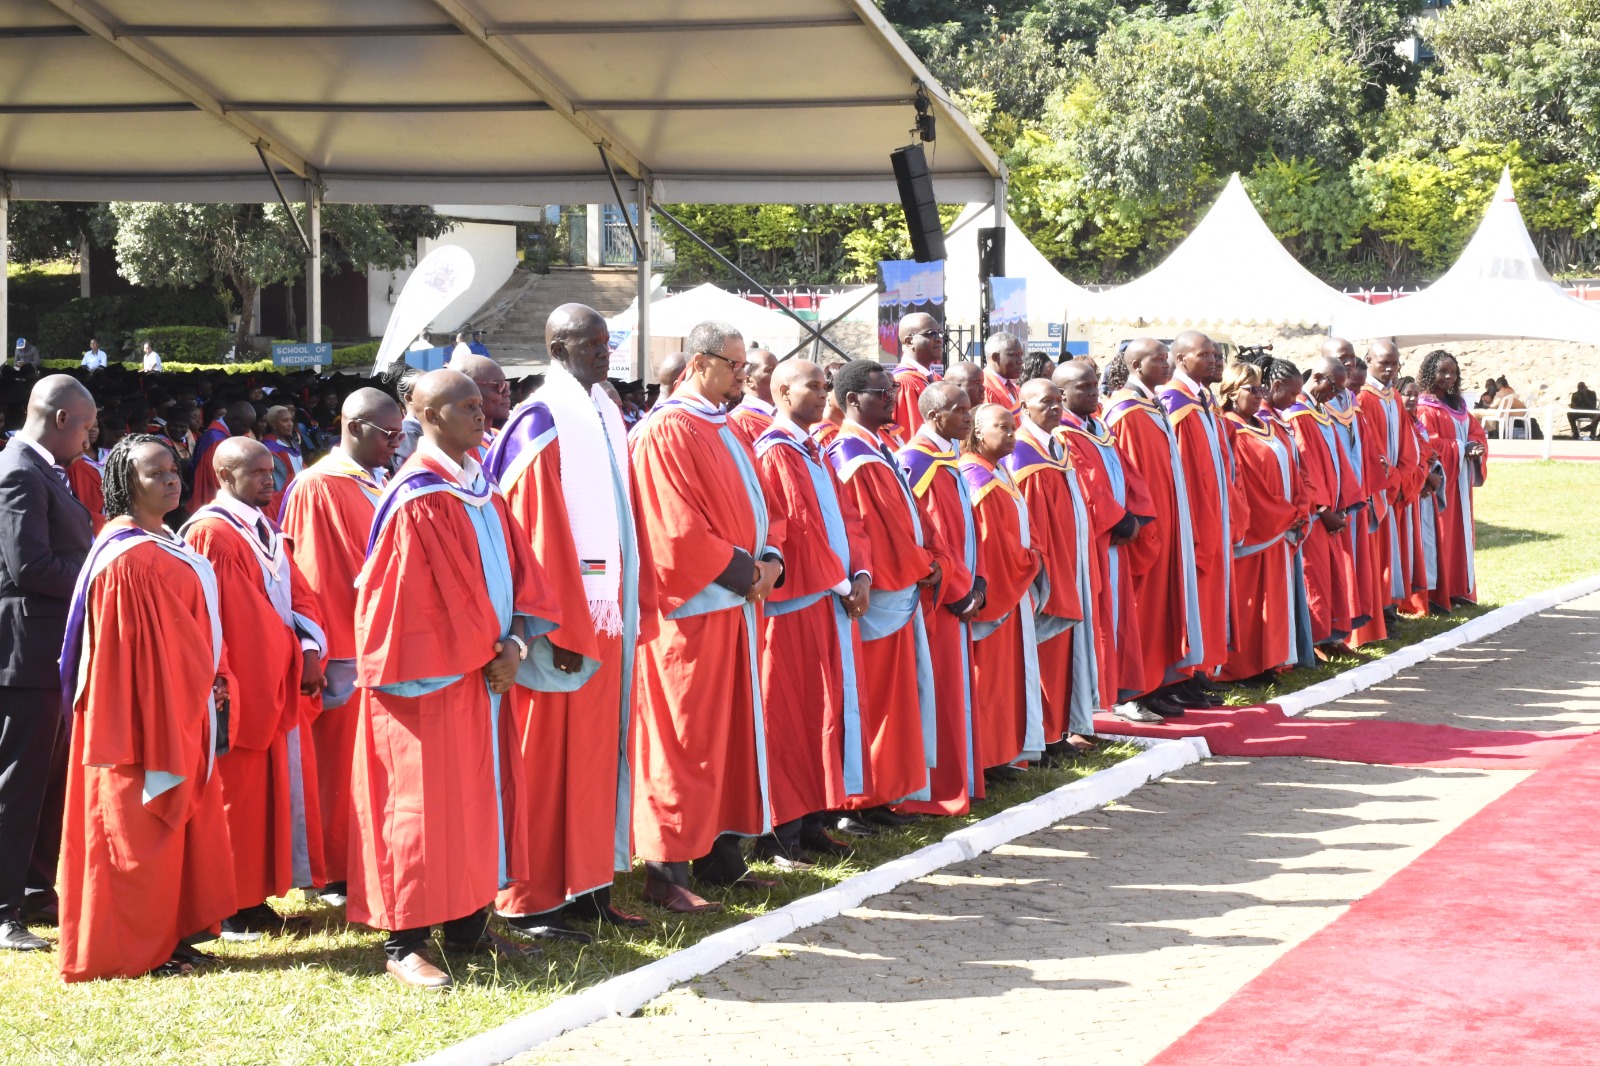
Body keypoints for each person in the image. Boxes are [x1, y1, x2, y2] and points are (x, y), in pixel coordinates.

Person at [350, 368, 552, 988]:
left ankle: (467, 923)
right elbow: (408, 607)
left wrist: (516, 643)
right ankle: (403, 939)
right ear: (430, 416)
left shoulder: (479, 489)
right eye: (466, 405)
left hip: (482, 677)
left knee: (475, 801)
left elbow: (525, 574)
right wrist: (485, 654)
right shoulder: (418, 496)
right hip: (429, 685)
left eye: (480, 403)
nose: (482, 414)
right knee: (419, 808)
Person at [483, 304, 657, 942]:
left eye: (607, 343)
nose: (605, 354)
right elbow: (535, 537)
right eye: (592, 343)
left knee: (594, 761)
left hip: (603, 621)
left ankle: (587, 887)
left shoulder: (603, 413)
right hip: (556, 633)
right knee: (546, 766)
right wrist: (552, 628)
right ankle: (533, 900)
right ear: (558, 346)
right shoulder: (542, 422)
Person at [56, 434, 236, 980]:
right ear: (124, 485)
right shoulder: (126, 558)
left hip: (179, 704)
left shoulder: (163, 543)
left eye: (174, 469)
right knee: (134, 829)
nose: (171, 479)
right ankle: (134, 949)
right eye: (155, 473)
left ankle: (171, 937)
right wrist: (173, 704)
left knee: (172, 829)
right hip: (138, 719)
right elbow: (123, 658)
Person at [630, 322, 783, 913]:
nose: (742, 375)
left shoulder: (722, 423)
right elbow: (674, 530)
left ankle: (719, 857)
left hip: (735, 608)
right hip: (691, 614)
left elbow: (755, 505)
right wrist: (749, 573)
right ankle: (666, 871)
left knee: (727, 738)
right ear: (698, 363)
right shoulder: (668, 429)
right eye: (733, 365)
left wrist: (770, 557)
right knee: (683, 739)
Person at [181, 438, 329, 940]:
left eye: (272, 470)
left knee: (263, 798)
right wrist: (292, 654)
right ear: (225, 476)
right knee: (236, 799)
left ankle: (255, 898)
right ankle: (230, 905)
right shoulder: (212, 534)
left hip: (276, 680)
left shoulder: (262, 529)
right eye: (258, 472)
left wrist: (309, 648)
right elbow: (240, 623)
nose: (272, 480)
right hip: (240, 688)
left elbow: (300, 594)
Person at [277, 388, 401, 907]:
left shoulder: (379, 481)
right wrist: (319, 648)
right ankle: (328, 870)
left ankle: (361, 856)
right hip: (343, 645)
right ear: (354, 426)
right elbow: (311, 573)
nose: (396, 444)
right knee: (336, 764)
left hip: (381, 640)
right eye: (387, 434)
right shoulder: (316, 485)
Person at [752, 358, 871, 864]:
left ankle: (816, 819)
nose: (825, 394)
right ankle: (781, 832)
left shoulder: (815, 447)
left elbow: (848, 518)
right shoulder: (775, 452)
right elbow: (795, 528)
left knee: (827, 712)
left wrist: (862, 573)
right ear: (781, 391)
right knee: (792, 717)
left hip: (831, 599)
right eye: (814, 386)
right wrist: (844, 581)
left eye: (826, 385)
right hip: (796, 605)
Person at [0, 375, 96, 951]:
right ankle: (3, 906)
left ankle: (35, 887)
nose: (90, 437)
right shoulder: (18, 471)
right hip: (24, 651)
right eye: (85, 426)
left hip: (47, 649)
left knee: (45, 780)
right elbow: (28, 566)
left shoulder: (42, 471)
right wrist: (93, 581)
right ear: (61, 419)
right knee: (17, 780)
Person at [826, 360, 937, 829]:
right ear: (852, 401)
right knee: (871, 699)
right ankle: (857, 803)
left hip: (898, 588)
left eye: (892, 389)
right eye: (881, 392)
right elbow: (873, 528)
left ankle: (882, 796)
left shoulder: (881, 445)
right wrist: (924, 565)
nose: (893, 397)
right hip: (877, 594)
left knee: (895, 700)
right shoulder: (851, 453)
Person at [896, 382, 984, 815]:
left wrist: (976, 581)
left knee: (953, 692)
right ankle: (929, 790)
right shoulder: (918, 463)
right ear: (934, 417)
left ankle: (958, 779)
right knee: (936, 694)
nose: (969, 417)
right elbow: (928, 536)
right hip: (937, 601)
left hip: (957, 591)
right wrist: (956, 586)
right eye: (960, 410)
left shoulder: (947, 458)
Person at [1102, 340, 1201, 722]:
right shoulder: (1126, 412)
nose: (1166, 364)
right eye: (1158, 359)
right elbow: (1125, 477)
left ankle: (1156, 684)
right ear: (1136, 364)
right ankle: (1134, 691)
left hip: (1166, 522)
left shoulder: (1151, 405)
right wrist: (1141, 523)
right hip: (1144, 530)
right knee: (1142, 610)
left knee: (1161, 609)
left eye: (1167, 357)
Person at [1007, 378, 1096, 758]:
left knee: (1062, 655)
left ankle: (1058, 730)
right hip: (1048, 572)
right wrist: (1048, 571)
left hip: (1071, 564)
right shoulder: (1022, 455)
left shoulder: (1056, 445)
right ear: (1023, 407)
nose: (1056, 407)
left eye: (1059, 400)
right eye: (1046, 401)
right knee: (1045, 655)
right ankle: (1041, 738)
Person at [1057, 359, 1151, 717]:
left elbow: (1128, 471)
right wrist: (1118, 519)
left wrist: (1138, 512)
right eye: (1084, 387)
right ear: (1062, 393)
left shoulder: (1098, 426)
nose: (1094, 391)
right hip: (1099, 541)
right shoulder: (1063, 433)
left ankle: (1112, 691)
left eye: (1095, 384)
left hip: (1117, 540)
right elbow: (1088, 485)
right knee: (1099, 617)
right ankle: (1097, 698)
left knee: (1117, 617)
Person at [961, 404, 1044, 774]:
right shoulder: (975, 477)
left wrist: (1032, 553)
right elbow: (989, 542)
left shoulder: (998, 472)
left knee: (1009, 679)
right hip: (998, 591)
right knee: (990, 680)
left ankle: (1006, 752)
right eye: (1003, 428)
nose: (1013, 435)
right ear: (979, 432)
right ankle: (988, 758)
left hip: (1016, 591)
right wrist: (1028, 560)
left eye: (1014, 428)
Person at [1158, 331, 1234, 703]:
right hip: (1192, 514)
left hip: (1213, 511)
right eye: (1205, 354)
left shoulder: (1204, 400)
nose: (1216, 360)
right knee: (1190, 592)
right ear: (1181, 359)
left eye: (1218, 354)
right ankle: (1182, 673)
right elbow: (1182, 468)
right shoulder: (1174, 402)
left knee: (1207, 593)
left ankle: (1198, 667)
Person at [1218, 362, 1303, 684]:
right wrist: (1281, 513)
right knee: (1248, 603)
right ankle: (1241, 668)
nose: (1258, 395)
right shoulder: (1229, 429)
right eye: (1251, 389)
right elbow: (1241, 484)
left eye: (1260, 389)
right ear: (1231, 391)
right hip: (1253, 530)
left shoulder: (1266, 425)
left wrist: (1297, 507)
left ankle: (1269, 661)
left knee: (1273, 600)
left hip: (1277, 527)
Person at [1283, 356, 1362, 649]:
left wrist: (1343, 502)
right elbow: (1306, 466)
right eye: (1334, 386)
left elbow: (1337, 460)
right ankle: (1317, 640)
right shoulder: (1297, 414)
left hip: (1331, 509)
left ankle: (1331, 635)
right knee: (1313, 577)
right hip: (1315, 513)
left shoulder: (1319, 411)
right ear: (1316, 378)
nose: (1337, 395)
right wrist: (1323, 508)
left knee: (1329, 576)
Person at [1416, 350, 1487, 611]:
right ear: (1429, 373)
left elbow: (1477, 433)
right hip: (1442, 484)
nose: (1449, 377)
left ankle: (1459, 588)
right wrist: (1460, 447)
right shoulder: (1425, 407)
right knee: (1440, 535)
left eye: (1453, 372)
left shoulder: (1458, 405)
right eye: (1443, 371)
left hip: (1462, 482)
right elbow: (1429, 442)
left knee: (1461, 535)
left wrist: (1476, 447)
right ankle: (1437, 592)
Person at [1360, 341, 1420, 626]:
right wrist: (1385, 477)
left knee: (1391, 551)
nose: (1390, 369)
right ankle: (1379, 610)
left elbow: (1408, 442)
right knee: (1376, 553)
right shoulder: (1363, 398)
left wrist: (1400, 475)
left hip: (1392, 484)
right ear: (1368, 360)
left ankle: (1390, 606)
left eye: (1394, 364)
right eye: (1383, 363)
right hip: (1376, 488)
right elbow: (1368, 445)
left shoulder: (1393, 396)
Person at [189, 400, 257, 509]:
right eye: (245, 426)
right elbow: (217, 479)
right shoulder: (215, 440)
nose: (247, 430)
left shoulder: (231, 434)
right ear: (235, 421)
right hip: (213, 501)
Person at [889, 312, 945, 435]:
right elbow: (909, 433)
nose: (939, 339)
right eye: (931, 334)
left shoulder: (936, 378)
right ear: (909, 341)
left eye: (940, 333)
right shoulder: (903, 383)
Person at [447, 352, 511, 459]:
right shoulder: (458, 450)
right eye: (498, 385)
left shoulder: (501, 436)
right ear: (468, 388)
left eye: (506, 384)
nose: (507, 392)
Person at [727, 346, 780, 447]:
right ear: (748, 381)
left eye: (779, 368)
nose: (779, 374)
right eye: (770, 370)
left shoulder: (781, 415)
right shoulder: (740, 422)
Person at [261, 405, 306, 517]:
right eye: (285, 421)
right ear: (273, 424)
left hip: (301, 496)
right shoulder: (268, 448)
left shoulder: (292, 444)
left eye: (290, 420)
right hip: (283, 502)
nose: (290, 424)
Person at [981, 333, 1024, 416]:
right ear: (995, 357)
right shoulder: (985, 388)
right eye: (1015, 355)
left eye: (1020, 355)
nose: (1020, 361)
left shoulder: (1014, 388)